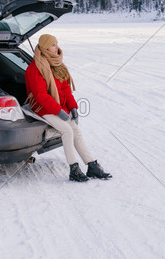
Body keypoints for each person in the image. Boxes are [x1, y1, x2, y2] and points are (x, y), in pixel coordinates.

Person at [25, 33, 112, 182]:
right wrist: (58, 111)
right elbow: (40, 96)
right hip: (42, 107)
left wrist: (72, 107)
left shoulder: (58, 65)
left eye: (56, 43)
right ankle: (74, 169)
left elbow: (65, 89)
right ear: (45, 47)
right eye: (53, 45)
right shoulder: (35, 68)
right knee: (67, 130)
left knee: (76, 130)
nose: (57, 47)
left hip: (59, 105)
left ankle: (91, 166)